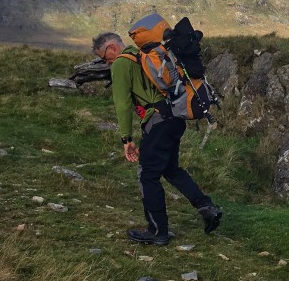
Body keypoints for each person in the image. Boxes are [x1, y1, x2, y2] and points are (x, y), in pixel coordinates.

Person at [92, 30, 222, 246]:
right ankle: (206, 207)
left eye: (105, 58)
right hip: (174, 118)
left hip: (158, 122)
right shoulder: (145, 54)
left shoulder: (122, 63)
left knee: (148, 175)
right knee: (171, 170)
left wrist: (126, 139)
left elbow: (122, 104)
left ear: (111, 48)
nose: (106, 63)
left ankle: (157, 231)